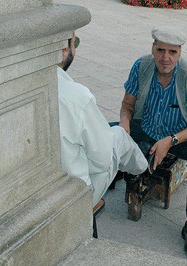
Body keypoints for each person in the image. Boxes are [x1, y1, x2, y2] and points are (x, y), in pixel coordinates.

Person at [119, 26, 187, 257]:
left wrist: (169, 141)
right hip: (147, 127)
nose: (165, 58)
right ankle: (117, 171)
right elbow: (127, 106)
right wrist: (124, 127)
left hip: (179, 136)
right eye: (160, 50)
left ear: (180, 53)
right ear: (153, 48)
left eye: (172, 52)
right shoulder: (141, 66)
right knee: (102, 132)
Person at [57, 33, 148, 237]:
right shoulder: (76, 96)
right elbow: (102, 161)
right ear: (65, 49)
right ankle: (141, 169)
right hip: (74, 196)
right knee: (117, 136)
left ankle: (137, 166)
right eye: (75, 42)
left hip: (34, 191)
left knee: (107, 135)